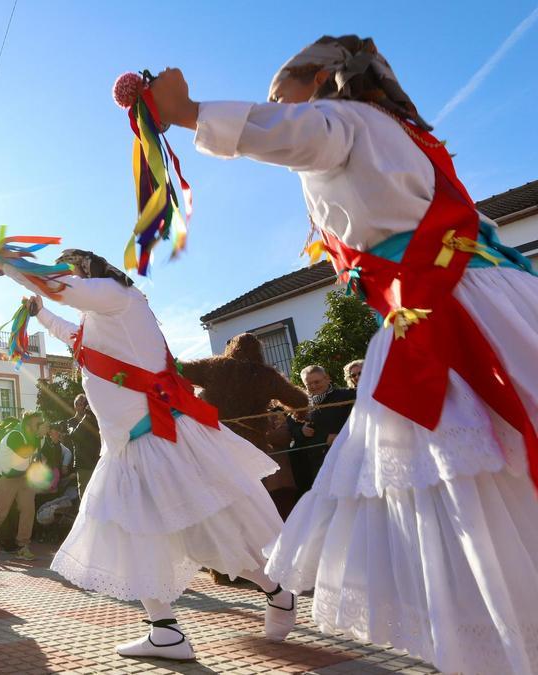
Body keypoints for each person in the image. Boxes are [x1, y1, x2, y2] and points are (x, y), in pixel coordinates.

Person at [154, 35, 538, 673]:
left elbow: (300, 133)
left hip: (443, 309)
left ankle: (500, 641)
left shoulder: (347, 122)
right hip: (474, 298)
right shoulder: (405, 135)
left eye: (282, 97)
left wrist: (189, 111)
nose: (278, 107)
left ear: (322, 82)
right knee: (487, 471)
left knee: (465, 480)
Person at [0, 249, 294, 660]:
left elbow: (63, 289)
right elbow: (70, 332)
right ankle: (166, 631)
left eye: (69, 268)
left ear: (88, 269)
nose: (63, 275)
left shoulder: (118, 296)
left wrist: (12, 268)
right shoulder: (100, 321)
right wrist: (40, 313)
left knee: (209, 530)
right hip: (128, 449)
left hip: (159, 439)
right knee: (135, 534)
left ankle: (275, 593)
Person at [179, 334, 310, 516]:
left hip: (216, 438)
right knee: (254, 495)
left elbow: (179, 369)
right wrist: (301, 415)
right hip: (252, 444)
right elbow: (300, 400)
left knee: (222, 496)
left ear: (231, 349)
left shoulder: (214, 367)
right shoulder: (267, 376)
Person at [0, 411, 44, 561]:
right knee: (0, 513)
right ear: (28, 423)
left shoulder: (31, 436)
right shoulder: (15, 435)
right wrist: (38, 436)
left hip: (22, 476)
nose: (40, 425)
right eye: (38, 423)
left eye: (41, 423)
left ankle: (23, 546)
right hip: (5, 477)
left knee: (28, 509)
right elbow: (25, 453)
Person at [288, 366, 355, 495]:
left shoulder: (346, 395)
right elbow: (292, 430)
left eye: (317, 382)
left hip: (346, 459)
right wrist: (301, 430)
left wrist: (340, 436)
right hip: (317, 466)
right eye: (309, 384)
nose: (313, 386)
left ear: (327, 379)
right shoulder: (302, 405)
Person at [66, 395, 100, 495]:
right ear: (75, 406)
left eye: (85, 404)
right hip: (84, 466)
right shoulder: (71, 422)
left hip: (97, 463)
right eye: (80, 404)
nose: (83, 407)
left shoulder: (94, 421)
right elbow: (74, 435)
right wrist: (86, 418)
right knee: (85, 496)